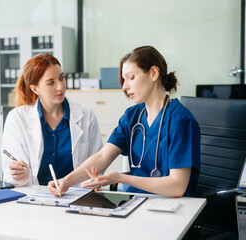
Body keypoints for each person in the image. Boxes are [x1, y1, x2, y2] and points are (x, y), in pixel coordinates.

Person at [48, 46, 200, 197]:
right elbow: (103, 156)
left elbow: (177, 186)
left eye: (131, 78)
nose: (125, 86)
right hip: (136, 200)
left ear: (153, 73)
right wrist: (65, 181)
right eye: (124, 79)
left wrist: (120, 178)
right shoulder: (132, 116)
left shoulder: (180, 121)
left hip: (172, 205)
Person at [1, 53, 103, 186]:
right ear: (35, 89)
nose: (60, 87)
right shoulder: (17, 118)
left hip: (77, 196)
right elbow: (10, 171)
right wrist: (21, 176)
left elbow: (98, 163)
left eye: (62, 78)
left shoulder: (86, 114)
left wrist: (88, 185)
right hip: (35, 198)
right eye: (51, 83)